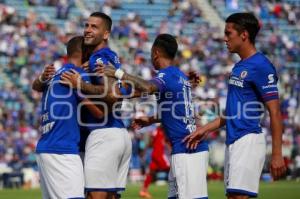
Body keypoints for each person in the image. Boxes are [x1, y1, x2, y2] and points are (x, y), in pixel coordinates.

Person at [183, 12, 287, 199]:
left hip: (247, 140)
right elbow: (232, 112)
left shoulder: (261, 66)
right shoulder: (238, 67)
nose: (224, 38)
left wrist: (277, 154)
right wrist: (205, 129)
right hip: (233, 141)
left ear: (244, 35)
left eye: (228, 33)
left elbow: (275, 112)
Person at [100, 33, 209, 199]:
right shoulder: (178, 76)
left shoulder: (166, 76)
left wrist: (119, 74)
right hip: (184, 146)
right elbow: (175, 110)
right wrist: (149, 119)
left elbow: (147, 88)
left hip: (187, 148)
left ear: (156, 52)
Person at [60, 12, 132, 199]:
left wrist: (80, 85)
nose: (88, 30)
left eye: (94, 26)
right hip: (118, 133)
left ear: (106, 34)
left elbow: (111, 95)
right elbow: (122, 89)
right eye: (87, 25)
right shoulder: (110, 57)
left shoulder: (98, 59)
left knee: (94, 196)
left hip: (104, 135)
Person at [32, 36, 102, 199]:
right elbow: (99, 113)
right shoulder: (76, 75)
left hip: (46, 148)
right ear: (85, 52)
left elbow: (36, 86)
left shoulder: (55, 75)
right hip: (62, 150)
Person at [138, 125, 170, 198]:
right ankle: (178, 188)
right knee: (171, 168)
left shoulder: (156, 131)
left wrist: (146, 149)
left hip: (154, 154)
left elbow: (151, 141)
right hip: (159, 154)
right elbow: (166, 142)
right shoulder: (162, 131)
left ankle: (143, 190)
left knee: (151, 172)